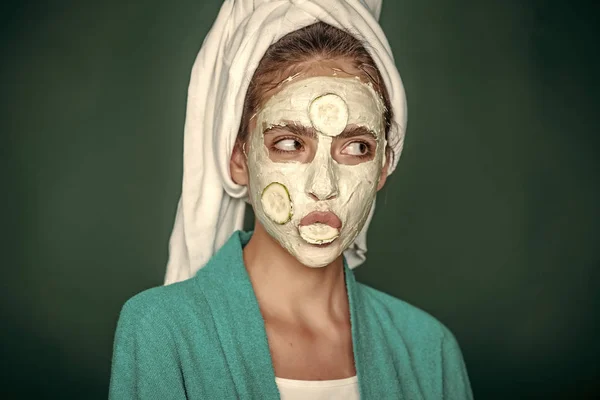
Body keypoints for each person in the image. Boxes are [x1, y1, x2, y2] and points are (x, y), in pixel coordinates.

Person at [109, 1, 473, 399]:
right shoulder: (160, 331)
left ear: (384, 165)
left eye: (356, 147)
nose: (324, 185)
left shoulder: (429, 350)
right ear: (238, 161)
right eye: (288, 143)